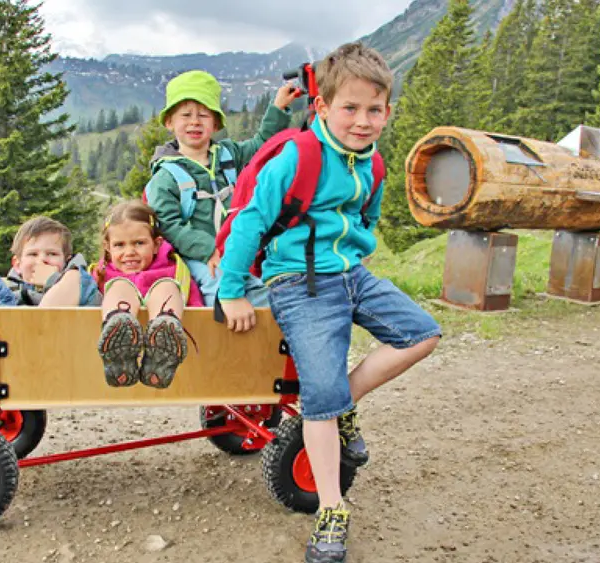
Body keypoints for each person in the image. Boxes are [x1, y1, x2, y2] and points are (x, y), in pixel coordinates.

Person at [216, 42, 441, 563]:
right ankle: (332, 509)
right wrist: (230, 291)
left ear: (388, 111)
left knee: (422, 333)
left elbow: (365, 219)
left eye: (374, 110)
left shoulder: (374, 165)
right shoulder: (298, 156)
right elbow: (249, 221)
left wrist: (353, 251)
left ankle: (341, 406)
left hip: (350, 274)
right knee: (318, 393)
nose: (362, 121)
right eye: (350, 108)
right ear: (322, 107)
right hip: (299, 282)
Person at [145, 69, 302, 305]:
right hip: (197, 255)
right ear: (169, 122)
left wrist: (278, 109)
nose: (194, 122)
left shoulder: (229, 155)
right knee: (218, 288)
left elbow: (262, 146)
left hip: (237, 247)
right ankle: (222, 339)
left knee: (263, 289)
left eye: (203, 115)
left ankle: (271, 333)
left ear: (216, 122)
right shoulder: (165, 177)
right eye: (185, 115)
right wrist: (209, 249)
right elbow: (168, 225)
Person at [47, 200, 202, 388]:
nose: (129, 252)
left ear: (156, 244)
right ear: (107, 247)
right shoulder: (100, 274)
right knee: (120, 286)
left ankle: (163, 339)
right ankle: (120, 335)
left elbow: (197, 306)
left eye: (139, 243)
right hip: (104, 341)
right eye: (119, 245)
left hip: (176, 340)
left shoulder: (174, 269)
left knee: (167, 286)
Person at [0, 216, 100, 307]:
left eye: (52, 254)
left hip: (56, 338)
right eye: (33, 254)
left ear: (66, 261)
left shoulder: (77, 282)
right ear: (17, 264)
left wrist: (53, 280)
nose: (42, 260)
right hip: (11, 337)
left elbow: (93, 299)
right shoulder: (7, 294)